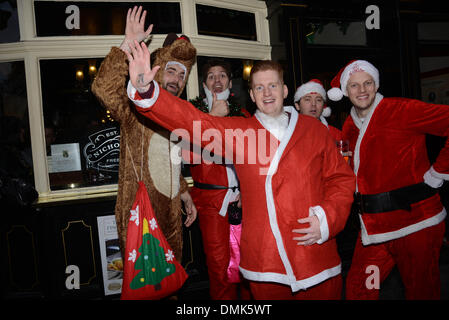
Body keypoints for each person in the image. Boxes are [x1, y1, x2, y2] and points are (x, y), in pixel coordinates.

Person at [124, 38, 356, 299]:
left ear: (285, 90)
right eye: (259, 88)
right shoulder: (241, 133)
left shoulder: (313, 129)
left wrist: (327, 219)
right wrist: (147, 92)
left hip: (316, 255)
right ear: (253, 95)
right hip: (265, 262)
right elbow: (192, 121)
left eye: (272, 86)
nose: (267, 93)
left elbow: (341, 179)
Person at [327, 59, 449, 299]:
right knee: (361, 288)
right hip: (375, 233)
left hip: (416, 225)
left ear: (376, 85)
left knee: (421, 291)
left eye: (367, 83)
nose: (362, 90)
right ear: (345, 91)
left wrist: (439, 172)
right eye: (354, 85)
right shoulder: (349, 126)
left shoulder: (401, 110)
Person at [91, 6, 197, 264]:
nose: (177, 79)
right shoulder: (137, 104)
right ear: (159, 70)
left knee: (171, 280)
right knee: (143, 284)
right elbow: (103, 89)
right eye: (172, 70)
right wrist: (127, 45)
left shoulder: (177, 113)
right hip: (140, 214)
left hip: (171, 214)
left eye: (182, 74)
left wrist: (184, 192)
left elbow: (168, 161)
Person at [187, 59, 250, 299]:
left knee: (248, 264)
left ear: (230, 82)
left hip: (244, 200)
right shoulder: (193, 115)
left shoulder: (243, 115)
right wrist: (212, 117)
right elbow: (188, 154)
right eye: (211, 76)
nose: (216, 81)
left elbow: (253, 159)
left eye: (221, 75)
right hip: (212, 202)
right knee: (219, 266)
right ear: (204, 84)